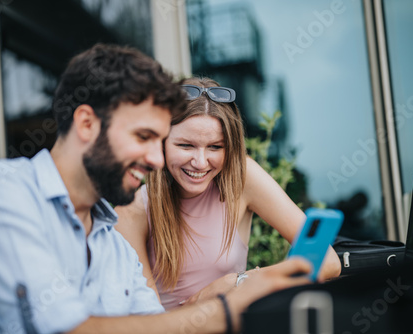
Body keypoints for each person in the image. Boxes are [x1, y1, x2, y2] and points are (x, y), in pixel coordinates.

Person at [0, 44, 312, 334]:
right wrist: (228, 309)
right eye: (144, 137)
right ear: (87, 123)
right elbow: (63, 329)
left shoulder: (113, 244)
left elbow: (155, 325)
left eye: (160, 141)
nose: (156, 159)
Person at [115, 77, 342, 310]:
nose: (200, 162)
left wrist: (236, 282)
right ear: (160, 142)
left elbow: (327, 262)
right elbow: (149, 320)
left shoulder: (243, 179)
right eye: (185, 146)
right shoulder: (134, 205)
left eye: (215, 147)